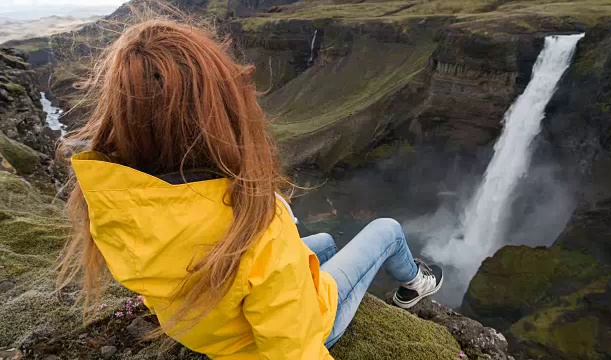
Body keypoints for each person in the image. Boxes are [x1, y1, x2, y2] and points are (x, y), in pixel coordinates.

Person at [58, 19, 444, 359]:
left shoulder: (115, 201)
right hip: (278, 336)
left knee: (324, 241)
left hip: (208, 328)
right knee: (387, 230)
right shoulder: (253, 225)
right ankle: (414, 285)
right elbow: (293, 350)